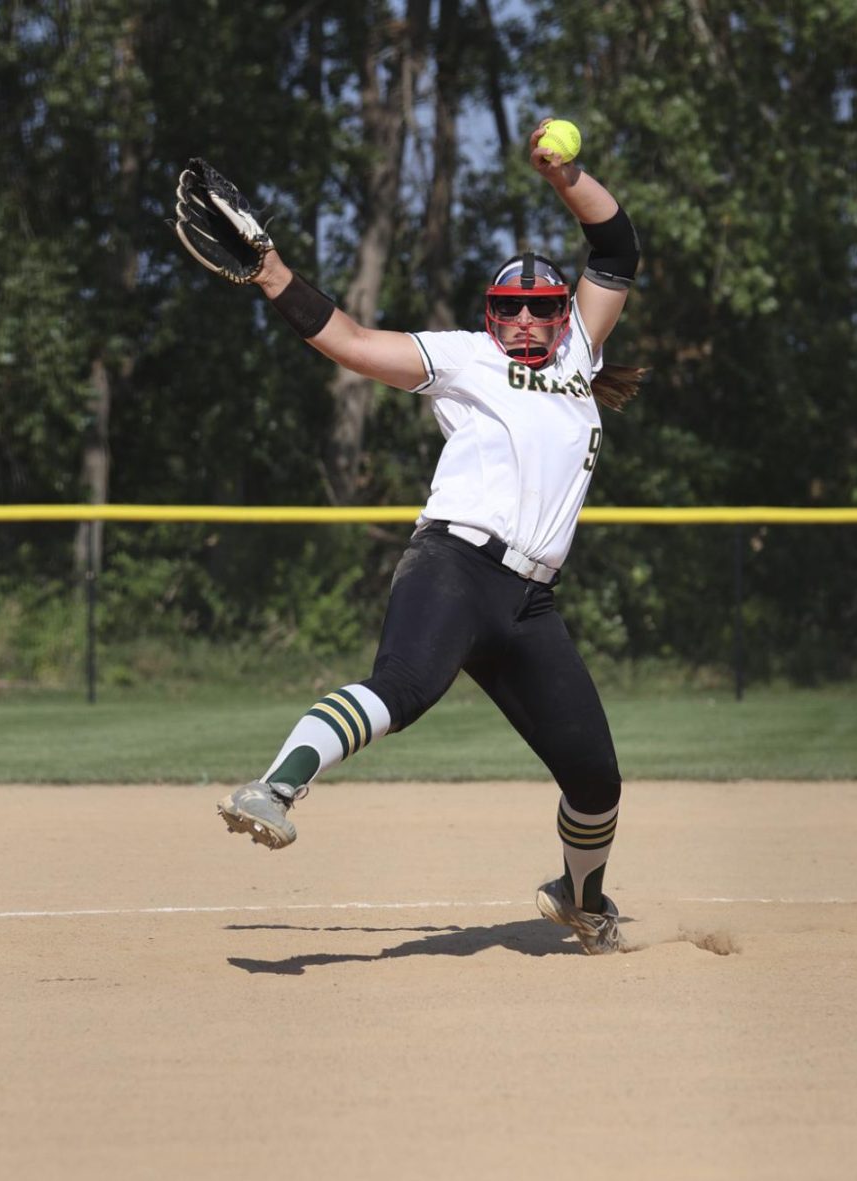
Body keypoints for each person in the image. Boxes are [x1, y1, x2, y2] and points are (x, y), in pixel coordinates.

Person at [174, 118, 644, 954]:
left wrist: (564, 173)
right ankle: (275, 790)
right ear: (493, 317)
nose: (532, 321)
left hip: (531, 602)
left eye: (544, 308)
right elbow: (351, 341)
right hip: (455, 563)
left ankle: (582, 897)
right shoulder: (464, 356)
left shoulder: (580, 349)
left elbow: (614, 242)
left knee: (597, 777)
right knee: (402, 688)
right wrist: (272, 274)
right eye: (515, 309)